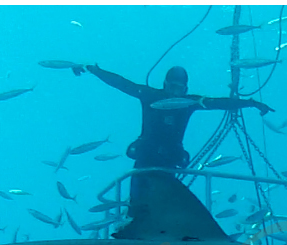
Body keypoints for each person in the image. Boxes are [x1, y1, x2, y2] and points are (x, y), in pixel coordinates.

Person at [75, 64, 274, 206]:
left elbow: (218, 103)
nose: (174, 93)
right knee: (138, 199)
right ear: (165, 85)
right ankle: (135, 217)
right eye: (171, 87)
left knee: (163, 199)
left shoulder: (188, 102)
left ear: (185, 89)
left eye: (179, 88)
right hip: (146, 156)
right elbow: (122, 84)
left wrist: (251, 103)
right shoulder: (150, 96)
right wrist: (93, 69)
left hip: (170, 159)